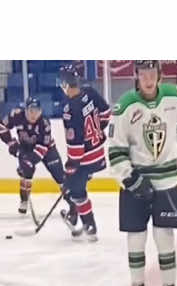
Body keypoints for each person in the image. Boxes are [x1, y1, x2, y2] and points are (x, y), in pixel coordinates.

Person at [108, 60, 177, 286]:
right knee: (136, 239)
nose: (148, 78)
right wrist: (130, 178)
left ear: (160, 75)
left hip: (167, 181)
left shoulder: (174, 97)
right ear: (136, 75)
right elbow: (115, 149)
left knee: (164, 237)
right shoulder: (125, 106)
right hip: (135, 181)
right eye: (143, 73)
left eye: (152, 73)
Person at [58, 63, 110, 241]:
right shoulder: (90, 92)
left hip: (84, 158)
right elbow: (106, 113)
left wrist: (71, 166)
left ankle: (89, 225)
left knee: (75, 191)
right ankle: (74, 216)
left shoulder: (69, 109)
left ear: (65, 84)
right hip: (98, 153)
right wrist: (95, 131)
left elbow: (76, 145)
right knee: (73, 186)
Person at [0, 98, 64, 215]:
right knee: (26, 176)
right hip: (25, 148)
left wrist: (29, 162)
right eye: (31, 111)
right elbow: (2, 127)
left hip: (47, 149)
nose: (34, 114)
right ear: (26, 110)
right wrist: (11, 143)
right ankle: (24, 200)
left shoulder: (44, 123)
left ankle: (74, 204)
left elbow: (43, 148)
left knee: (60, 176)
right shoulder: (16, 115)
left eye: (37, 111)